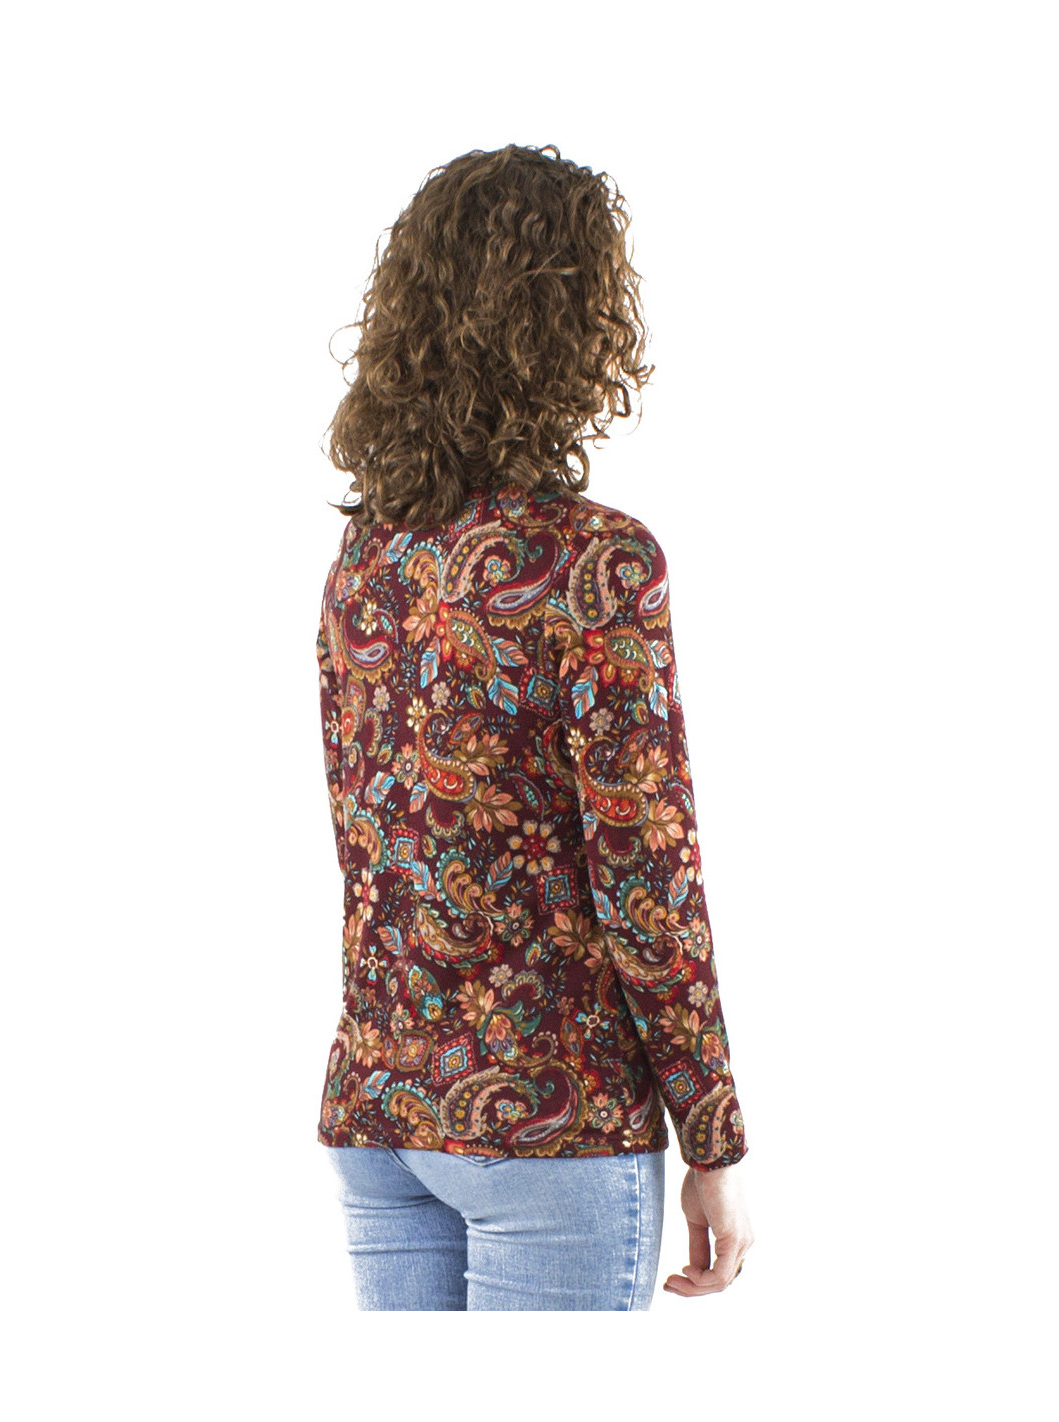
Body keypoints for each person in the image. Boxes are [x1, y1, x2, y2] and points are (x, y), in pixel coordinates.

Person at [314, 142, 755, 1310]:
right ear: (573, 326)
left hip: (379, 1111)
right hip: (550, 1124)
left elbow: (372, 844)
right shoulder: (593, 564)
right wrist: (712, 1141)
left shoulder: (367, 560)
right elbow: (644, 872)